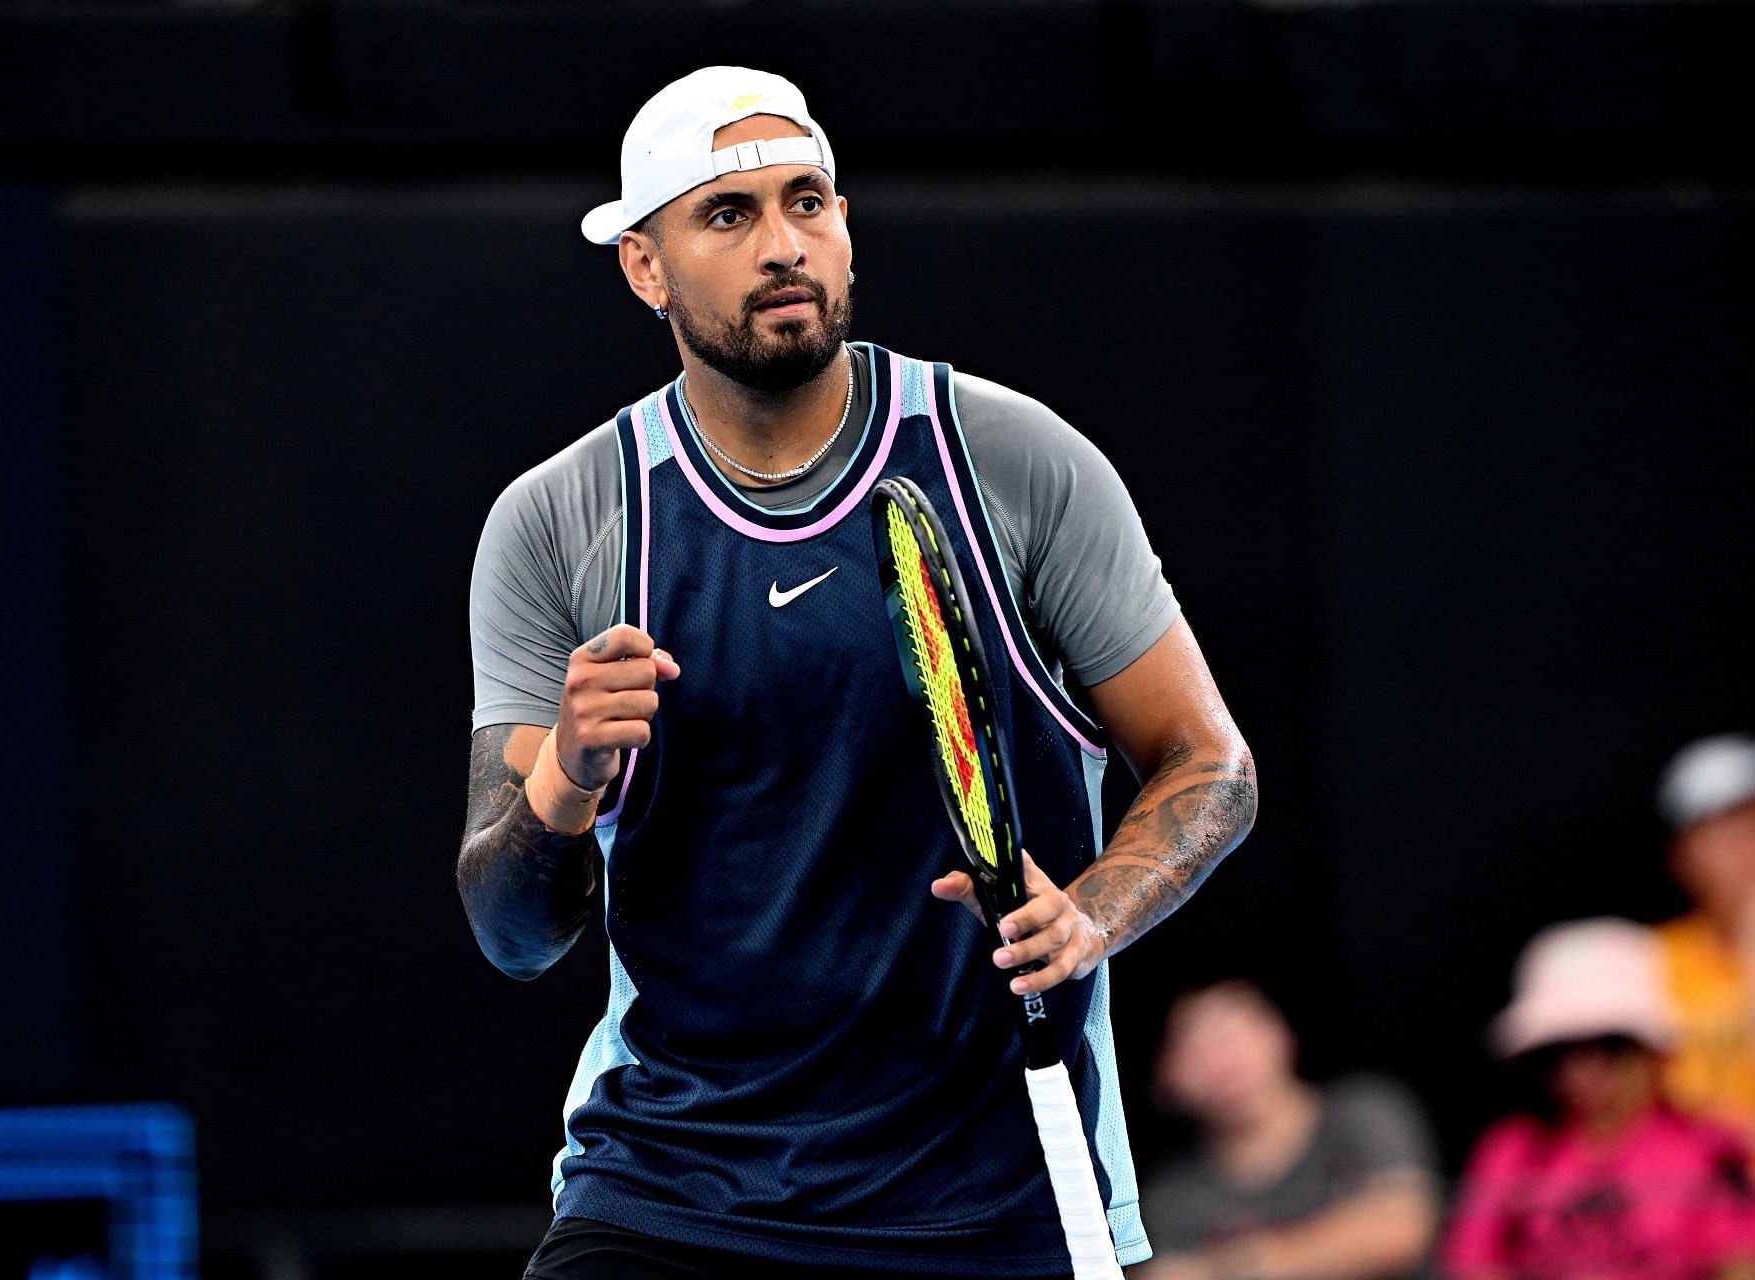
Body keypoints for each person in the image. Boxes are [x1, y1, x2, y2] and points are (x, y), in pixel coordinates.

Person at [457, 66, 1257, 1280]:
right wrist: (567, 776)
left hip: (996, 1194)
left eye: (808, 202)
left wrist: (1095, 908)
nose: (783, 244)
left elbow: (1211, 763)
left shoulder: (1013, 459)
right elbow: (513, 933)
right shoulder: (559, 520)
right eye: (729, 215)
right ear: (645, 266)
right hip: (670, 1193)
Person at [1441, 917, 1755, 1280]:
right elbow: (1472, 1266)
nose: (1581, 1070)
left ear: (1650, 1052)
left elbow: (1739, 1265)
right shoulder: (1512, 1150)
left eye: (1608, 1045)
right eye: (1560, 1050)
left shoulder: (1710, 1149)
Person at [1139, 981, 1440, 1280]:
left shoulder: (1364, 1112)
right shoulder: (1169, 1195)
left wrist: (1232, 1265)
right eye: (1198, 1051)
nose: (1225, 1063)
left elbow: (1399, 1230)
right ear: (1167, 1077)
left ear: (1280, 1033)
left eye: (1233, 1037)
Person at [1654, 734, 1755, 1137]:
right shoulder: (1650, 962)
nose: (1744, 849)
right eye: (1719, 835)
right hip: (1700, 1191)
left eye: (1750, 826)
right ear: (1680, 858)